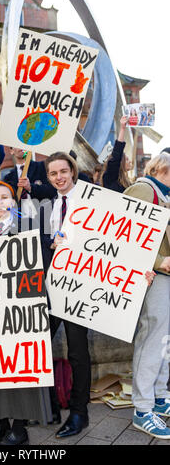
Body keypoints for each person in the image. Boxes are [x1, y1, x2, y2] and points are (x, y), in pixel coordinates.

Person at [0, 181, 52, 446]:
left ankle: (19, 427)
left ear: (13, 201)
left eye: (4, 197)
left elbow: (42, 260)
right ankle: (0, 424)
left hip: (22, 307)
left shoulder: (30, 224)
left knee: (22, 364)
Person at [40, 152, 91, 439]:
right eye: (53, 174)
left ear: (72, 171)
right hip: (51, 287)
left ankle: (79, 412)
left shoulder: (89, 201)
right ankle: (47, 403)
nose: (59, 177)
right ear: (48, 177)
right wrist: (51, 241)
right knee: (40, 344)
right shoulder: (46, 206)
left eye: (63, 171)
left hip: (79, 287)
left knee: (77, 351)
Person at [124, 152, 170, 439]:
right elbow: (123, 234)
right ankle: (142, 408)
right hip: (154, 277)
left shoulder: (163, 193)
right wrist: (157, 262)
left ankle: (161, 397)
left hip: (165, 276)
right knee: (153, 338)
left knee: (165, 341)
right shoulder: (144, 189)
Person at [3, 147, 56, 217]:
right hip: (20, 220)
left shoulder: (42, 167)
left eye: (23, 144)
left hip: (44, 216)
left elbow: (53, 191)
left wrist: (30, 187)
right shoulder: (8, 178)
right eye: (16, 145)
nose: (20, 146)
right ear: (11, 151)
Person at [102, 116, 133, 193]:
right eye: (127, 159)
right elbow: (117, 154)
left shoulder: (127, 181)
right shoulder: (111, 177)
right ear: (120, 163)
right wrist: (122, 128)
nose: (130, 161)